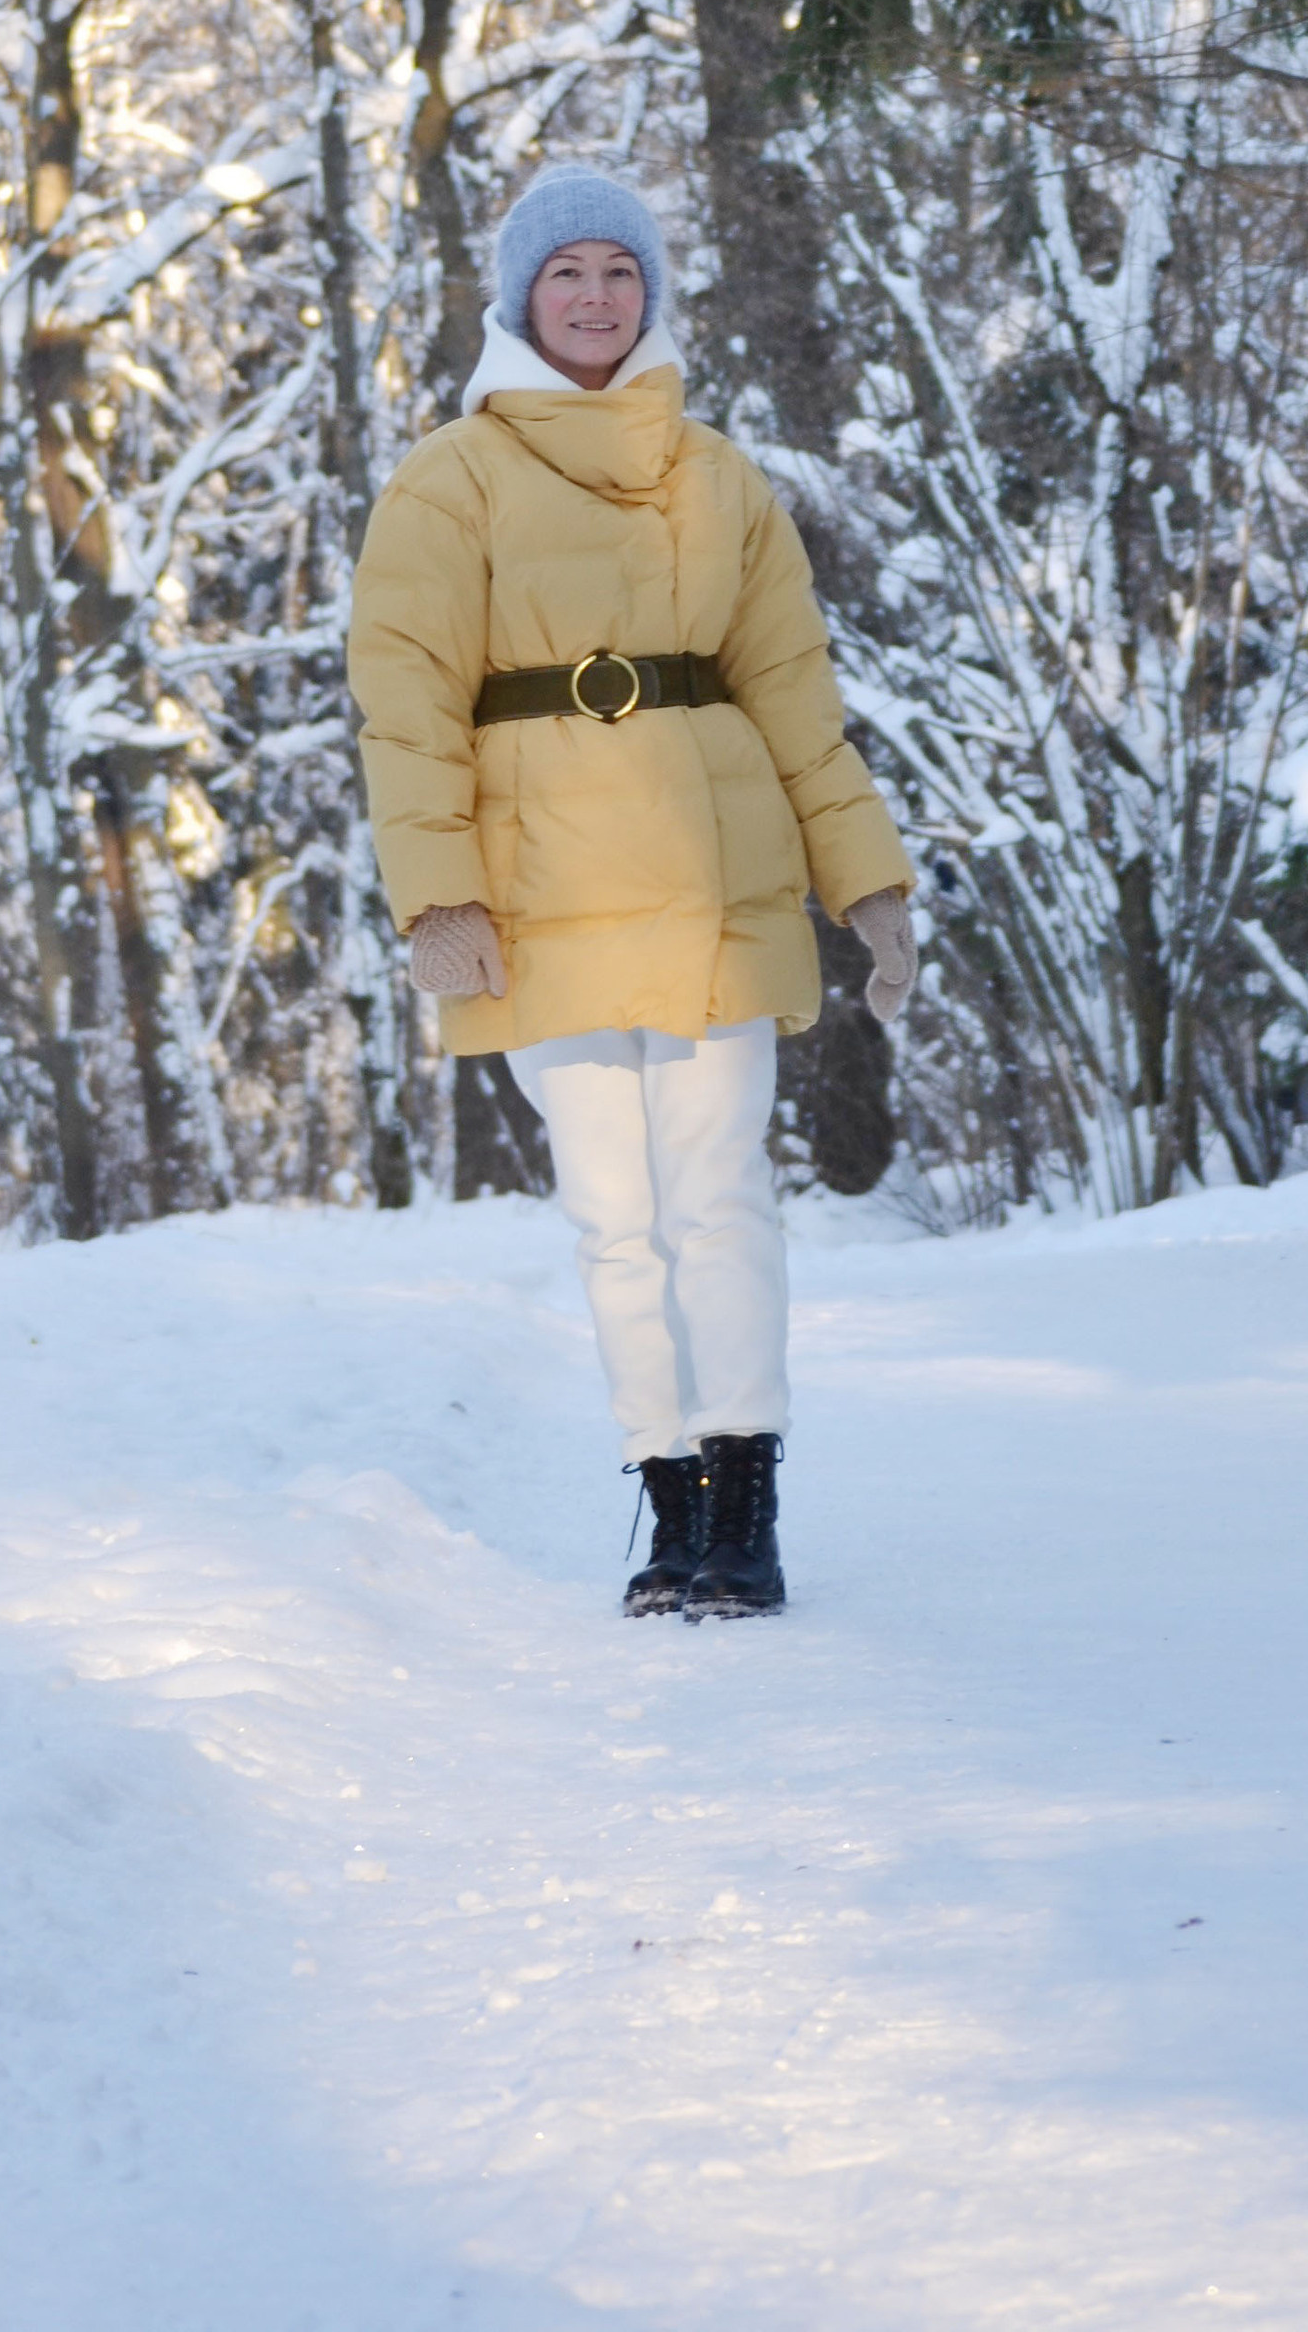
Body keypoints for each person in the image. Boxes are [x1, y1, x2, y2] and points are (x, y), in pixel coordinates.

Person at [347, 165, 915, 1619]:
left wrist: (870, 882)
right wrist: (439, 897)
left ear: (651, 292)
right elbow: (405, 704)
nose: (597, 297)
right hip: (539, 888)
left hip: (713, 874)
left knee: (721, 1199)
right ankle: (668, 1503)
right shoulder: (449, 478)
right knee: (611, 1215)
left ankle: (749, 1502)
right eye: (567, 274)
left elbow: (794, 692)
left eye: (620, 270)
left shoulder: (719, 476)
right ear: (521, 298)